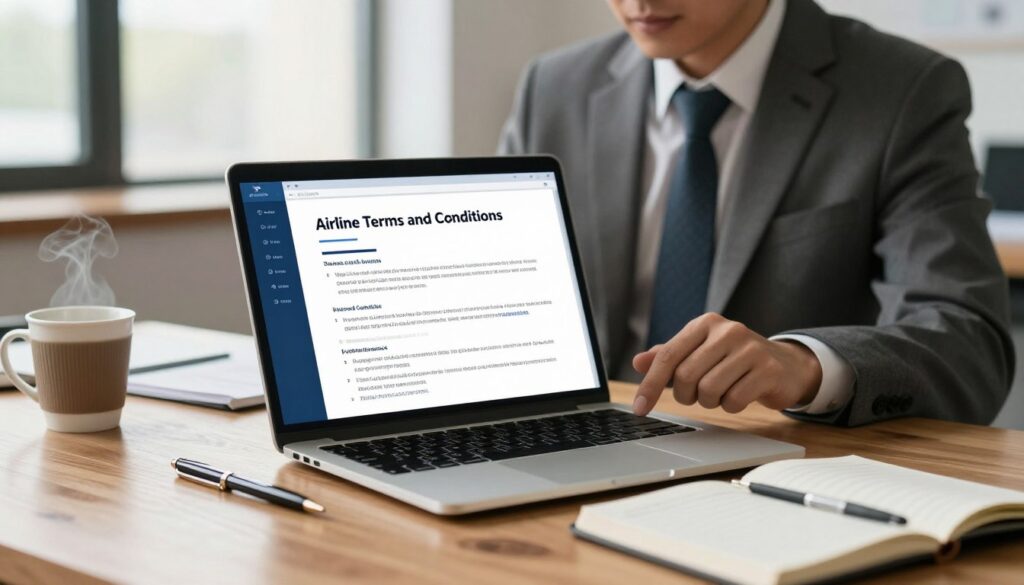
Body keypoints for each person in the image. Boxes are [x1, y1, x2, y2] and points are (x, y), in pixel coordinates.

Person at [498, 0, 1014, 425]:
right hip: (574, 448)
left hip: (779, 467)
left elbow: (968, 342)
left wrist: (806, 364)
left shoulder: (902, 89)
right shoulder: (553, 87)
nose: (638, 3)